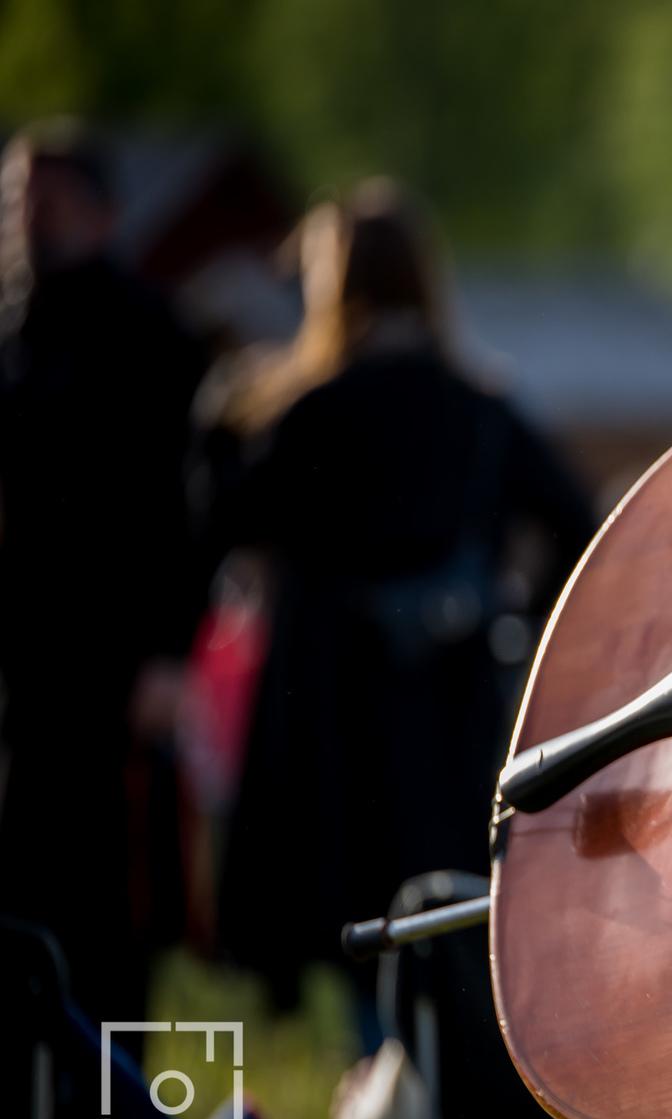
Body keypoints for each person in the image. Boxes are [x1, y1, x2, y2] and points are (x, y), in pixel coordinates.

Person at [199, 179, 599, 1008]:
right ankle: (435, 1105)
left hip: (329, 706)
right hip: (450, 702)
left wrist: (215, 426)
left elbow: (224, 520)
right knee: (447, 918)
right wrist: (523, 616)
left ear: (333, 283)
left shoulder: (306, 413)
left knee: (352, 924)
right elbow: (574, 518)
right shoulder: (482, 409)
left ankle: (379, 1091)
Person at [0, 119, 205, 1025]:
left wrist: (170, 651)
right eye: (16, 200)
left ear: (99, 210)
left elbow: (185, 508)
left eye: (45, 200)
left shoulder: (148, 331)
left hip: (116, 667)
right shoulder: (13, 329)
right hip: (20, 670)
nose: (27, 219)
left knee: (111, 919)